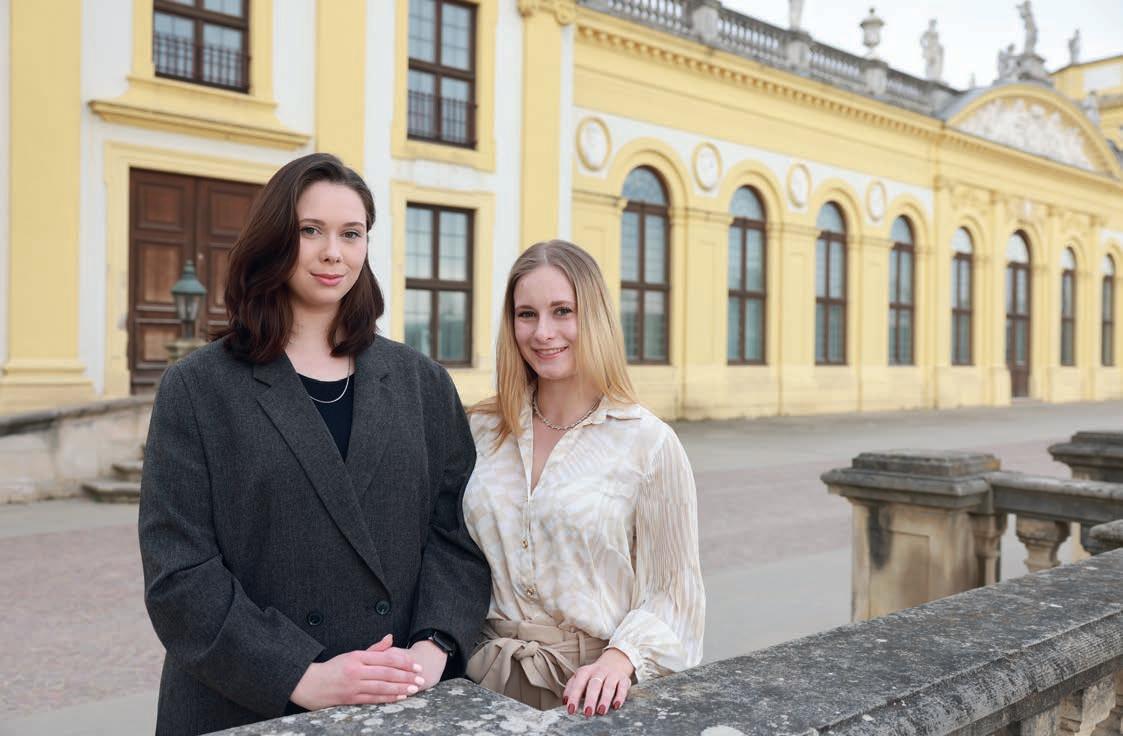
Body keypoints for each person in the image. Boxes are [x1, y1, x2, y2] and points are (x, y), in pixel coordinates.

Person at [138, 153, 490, 735]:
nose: (334, 252)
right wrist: (300, 674)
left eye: (352, 234)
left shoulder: (422, 382)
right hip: (245, 704)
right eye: (310, 231)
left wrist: (433, 646)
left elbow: (458, 535)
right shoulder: (198, 388)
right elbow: (180, 573)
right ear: (274, 239)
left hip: (401, 695)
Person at [463, 240, 705, 716]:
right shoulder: (481, 430)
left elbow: (675, 593)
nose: (543, 332)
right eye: (526, 314)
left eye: (562, 311)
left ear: (594, 317)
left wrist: (620, 659)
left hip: (592, 690)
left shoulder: (648, 443)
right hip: (480, 679)